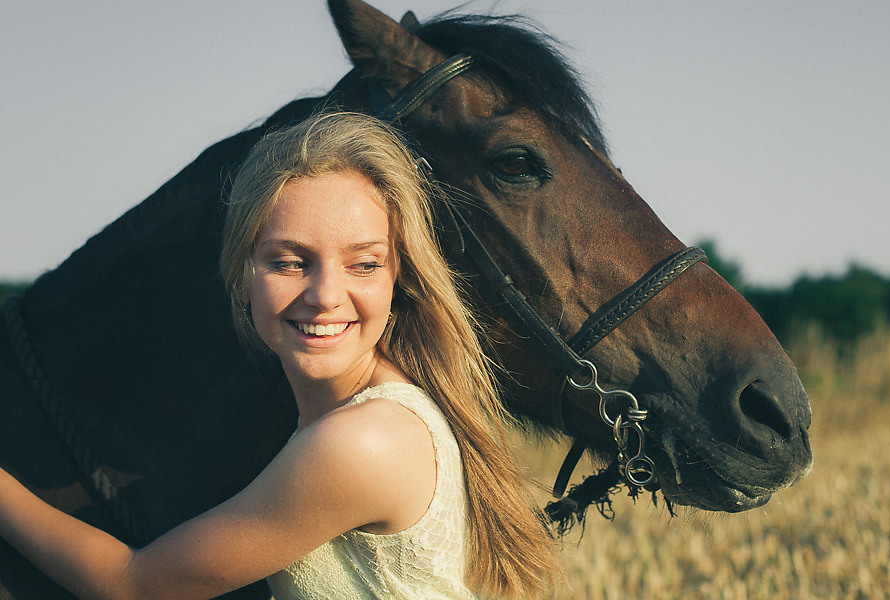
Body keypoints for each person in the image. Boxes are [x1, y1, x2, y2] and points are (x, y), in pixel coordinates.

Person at [0, 111, 561, 599]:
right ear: (241, 276)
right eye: (290, 262)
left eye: (362, 264)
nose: (324, 295)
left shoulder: (362, 443)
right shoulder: (368, 407)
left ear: (399, 277)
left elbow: (134, 585)